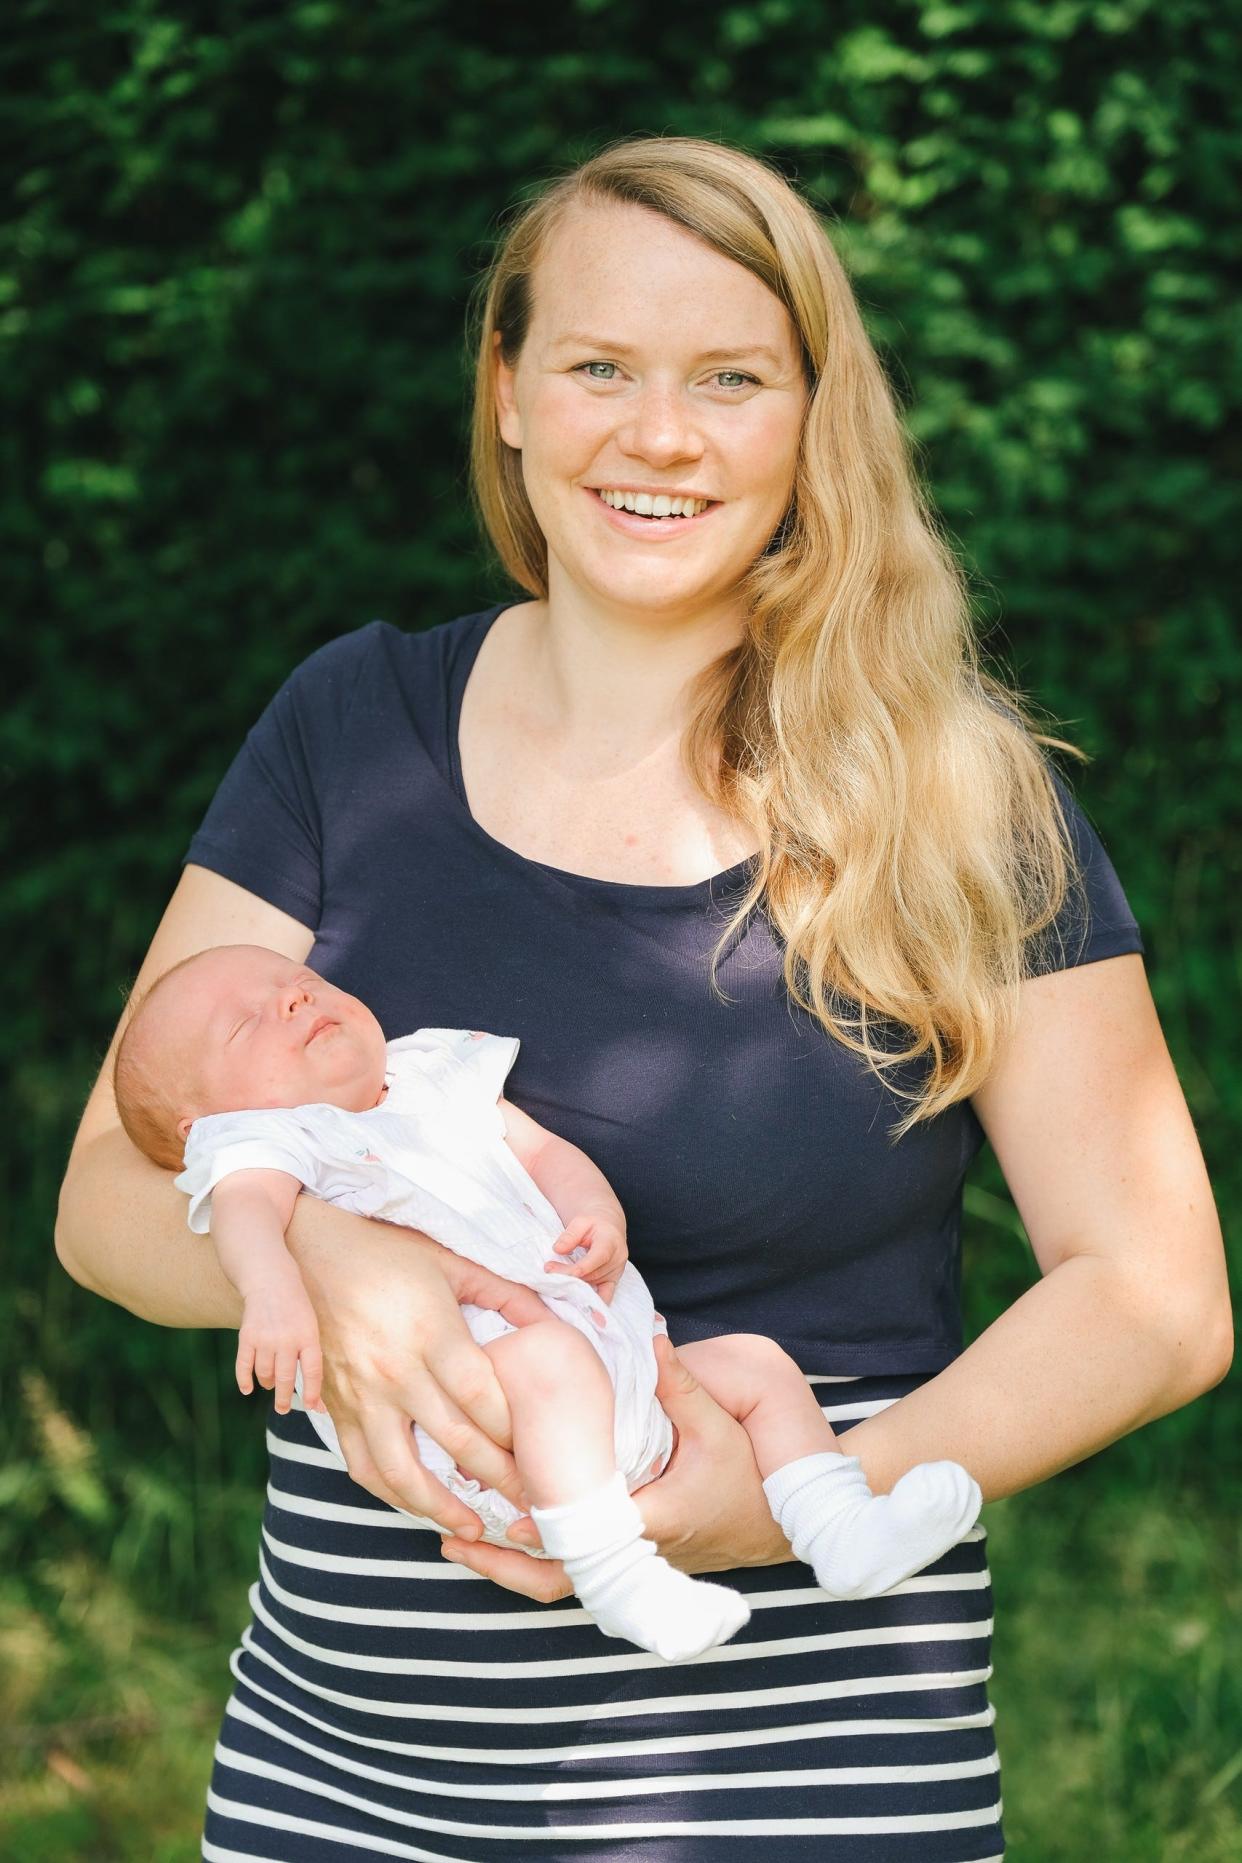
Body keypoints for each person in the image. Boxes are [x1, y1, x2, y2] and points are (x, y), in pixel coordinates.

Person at [55, 135, 1230, 1861]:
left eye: (729, 379)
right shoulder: (348, 727)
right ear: (509, 391)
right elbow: (106, 1190)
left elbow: (1152, 1296)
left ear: (809, 421)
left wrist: (765, 1513)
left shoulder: (955, 796)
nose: (656, 434)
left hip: (804, 1787)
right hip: (340, 1788)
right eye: (597, 364)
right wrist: (334, 1250)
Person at [111, 941, 983, 1661]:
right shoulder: (266, 1140)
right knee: (546, 1359)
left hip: (620, 1381)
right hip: (482, 1424)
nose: (293, 999)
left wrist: (592, 1208)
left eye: (296, 980)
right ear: (202, 1124)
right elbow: (248, 1219)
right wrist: (273, 1294)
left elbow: (542, 1151)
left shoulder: (430, 1075)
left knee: (754, 1364)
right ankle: (615, 1573)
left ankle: (840, 1527)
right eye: (246, 1021)